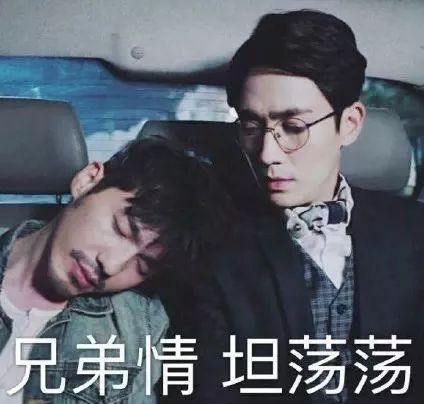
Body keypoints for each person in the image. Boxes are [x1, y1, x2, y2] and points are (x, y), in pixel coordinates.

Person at [190, 10, 424, 404]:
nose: (267, 153)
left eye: (294, 127)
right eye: (251, 126)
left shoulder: (416, 233)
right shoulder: (215, 246)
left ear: (349, 124)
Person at [0, 136, 231, 403]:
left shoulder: (137, 328)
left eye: (143, 265)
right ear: (88, 182)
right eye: (121, 230)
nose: (111, 265)